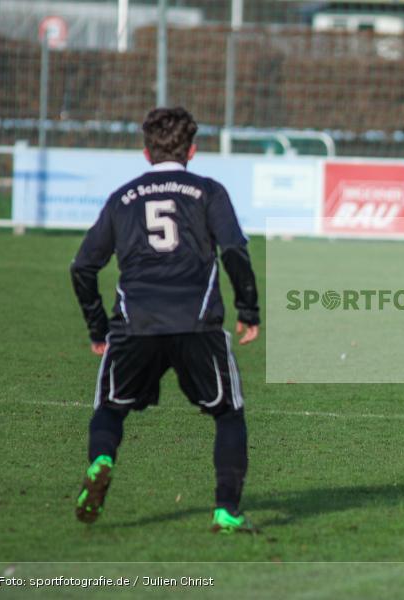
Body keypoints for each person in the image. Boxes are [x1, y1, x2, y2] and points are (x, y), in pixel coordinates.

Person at [70, 107, 261, 532]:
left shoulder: (123, 198)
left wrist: (97, 327)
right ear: (192, 150)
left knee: (110, 409)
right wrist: (249, 311)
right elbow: (233, 251)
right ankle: (226, 510)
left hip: (135, 324)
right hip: (197, 324)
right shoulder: (209, 191)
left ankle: (102, 459)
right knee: (228, 413)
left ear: (145, 153)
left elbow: (83, 267)